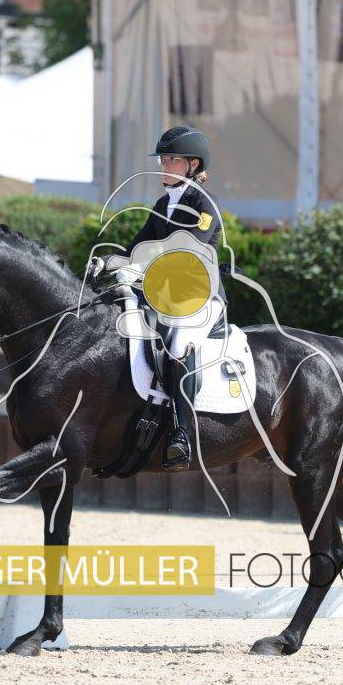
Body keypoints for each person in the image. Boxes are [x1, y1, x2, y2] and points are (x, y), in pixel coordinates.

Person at [91, 126, 227, 471]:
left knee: (178, 345)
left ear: (194, 165)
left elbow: (186, 249)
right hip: (164, 298)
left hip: (198, 299)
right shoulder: (163, 205)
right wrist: (108, 261)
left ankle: (181, 433)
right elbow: (136, 247)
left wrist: (144, 268)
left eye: (172, 160)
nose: (164, 165)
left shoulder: (204, 203)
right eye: (163, 160)